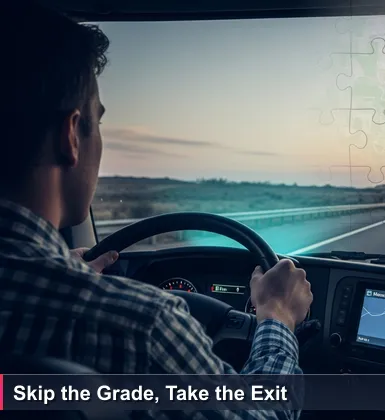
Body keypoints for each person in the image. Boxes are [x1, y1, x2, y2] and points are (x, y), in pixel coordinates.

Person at [0, 3, 313, 419]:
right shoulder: (141, 326)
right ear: (71, 135)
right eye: (99, 121)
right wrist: (277, 315)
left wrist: (63, 272)